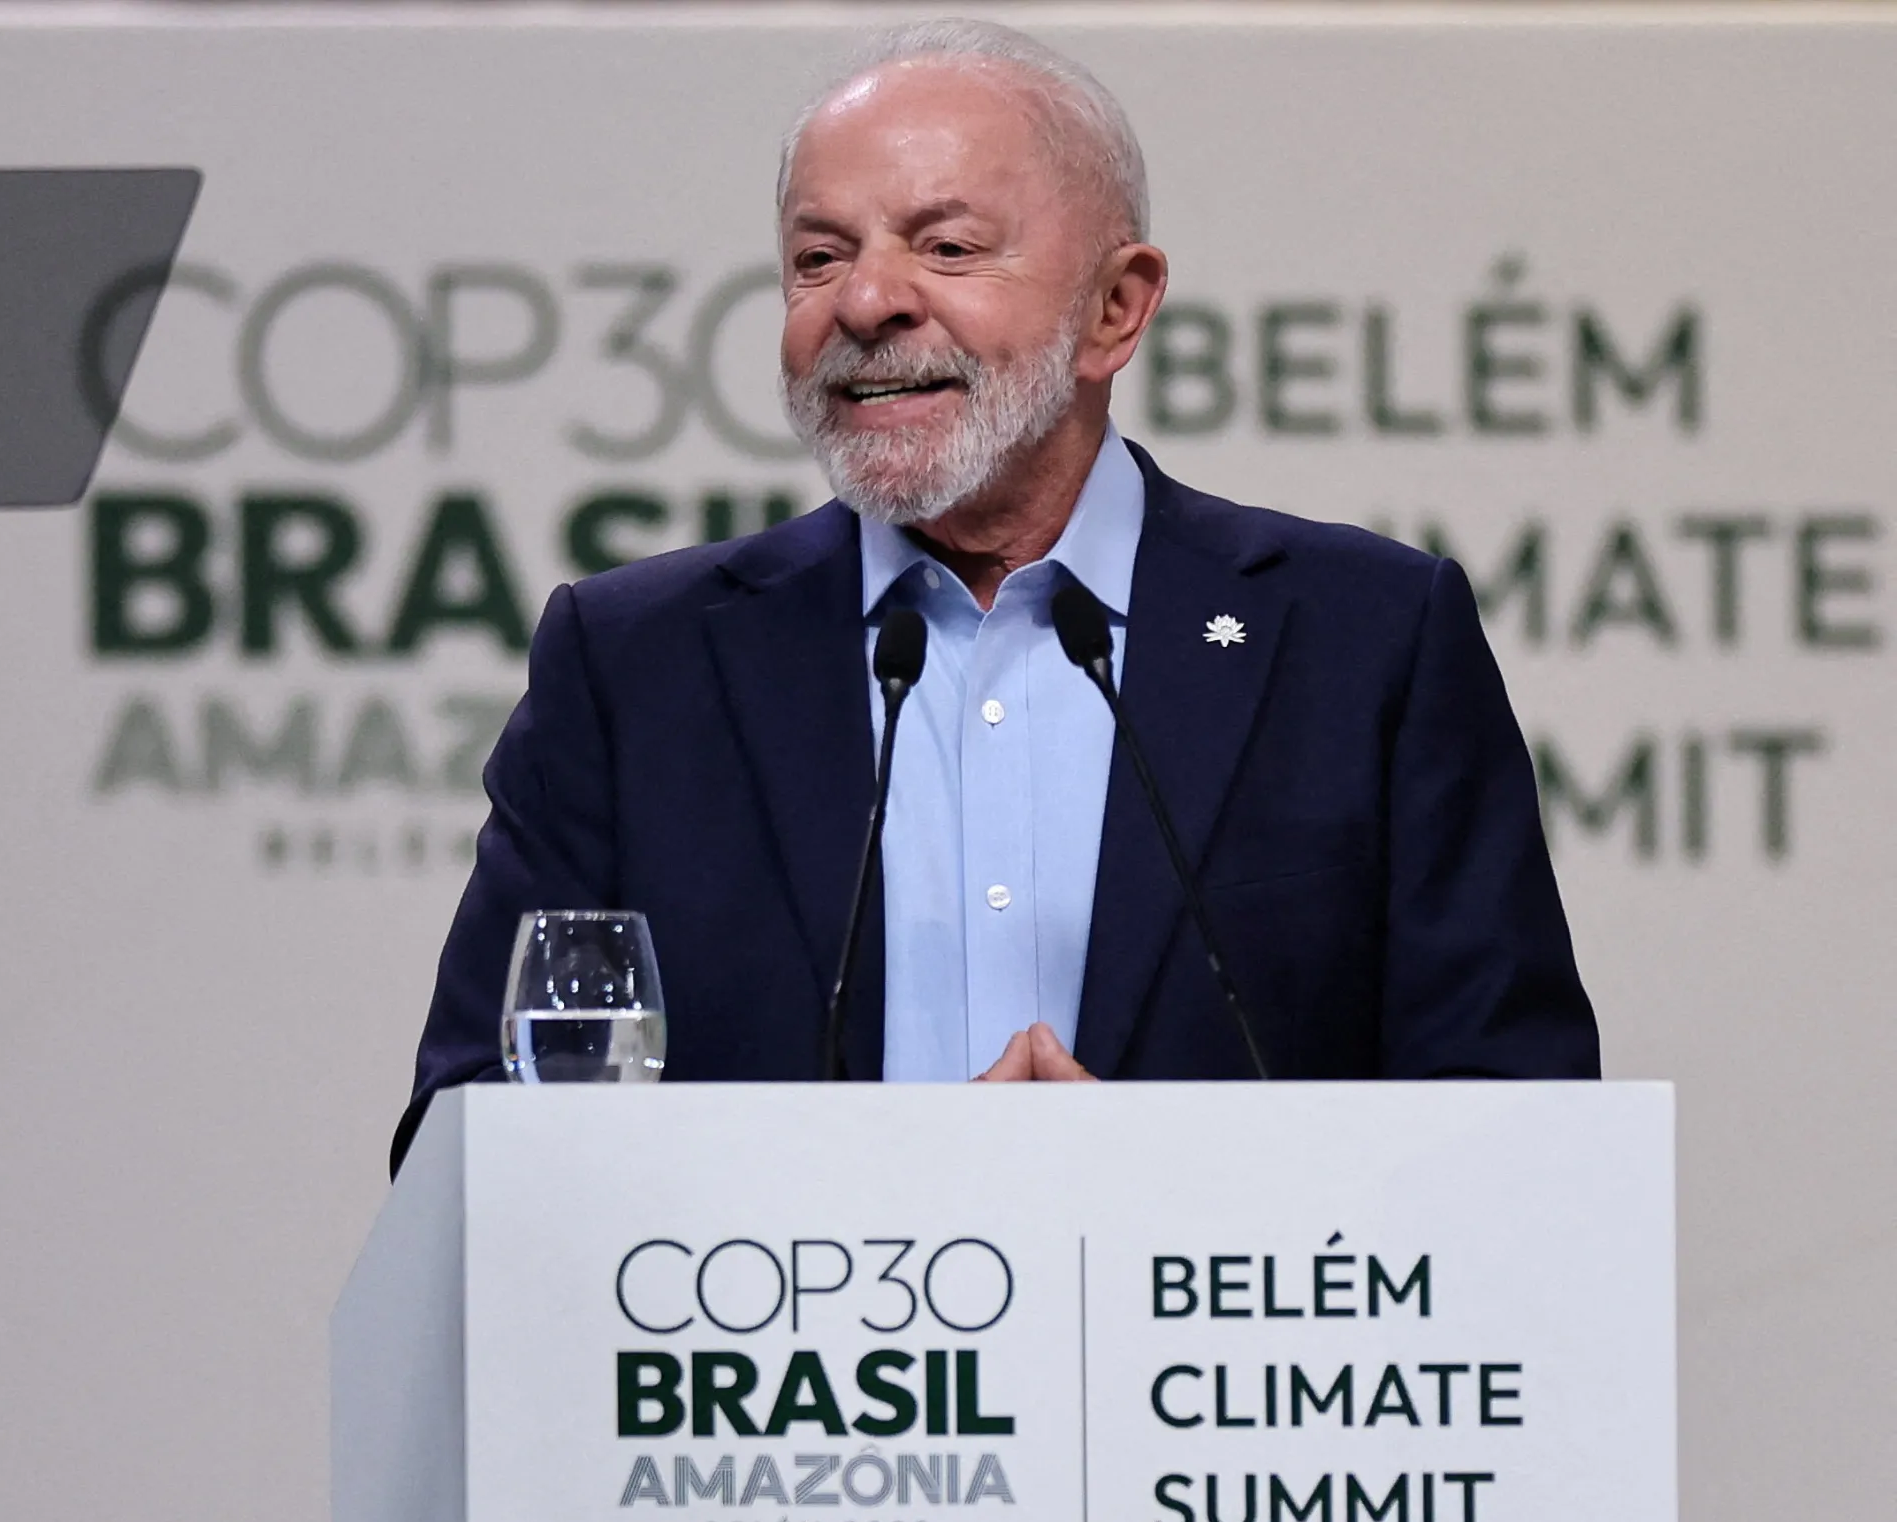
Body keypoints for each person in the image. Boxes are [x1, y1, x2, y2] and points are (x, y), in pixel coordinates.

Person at [396, 18, 1597, 1169]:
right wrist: (881, 1191)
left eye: (947, 247)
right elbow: (473, 1141)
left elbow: (1514, 1130)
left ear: (1115, 310)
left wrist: (1178, 1189)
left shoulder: (1362, 643)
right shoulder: (634, 668)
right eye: (818, 258)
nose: (865, 304)